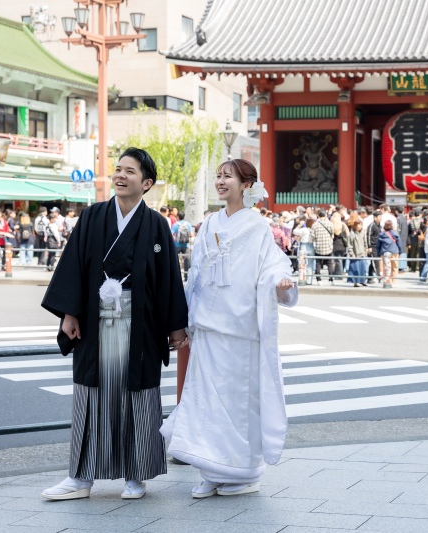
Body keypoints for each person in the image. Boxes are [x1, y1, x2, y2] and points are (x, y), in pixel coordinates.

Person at [40, 147, 188, 501]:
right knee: (91, 396)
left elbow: (169, 278)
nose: (120, 176)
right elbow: (74, 266)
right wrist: (69, 313)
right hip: (95, 319)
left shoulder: (155, 225)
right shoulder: (92, 217)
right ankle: (80, 476)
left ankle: (136, 475)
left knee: (138, 396)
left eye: (130, 171)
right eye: (118, 169)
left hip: (141, 324)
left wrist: (176, 325)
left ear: (147, 183)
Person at [160, 158, 297, 498]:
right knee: (205, 401)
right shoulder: (209, 223)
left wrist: (280, 282)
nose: (220, 182)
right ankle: (211, 470)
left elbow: (271, 265)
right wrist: (186, 319)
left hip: (239, 329)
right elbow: (197, 274)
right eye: (218, 176)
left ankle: (242, 472)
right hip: (208, 326)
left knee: (237, 403)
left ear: (247, 185)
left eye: (228, 177)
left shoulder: (257, 226)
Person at [311, 209, 334, 284]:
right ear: (326, 215)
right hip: (328, 246)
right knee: (329, 263)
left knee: (318, 263)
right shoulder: (330, 224)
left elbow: (312, 236)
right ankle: (331, 280)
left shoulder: (315, 225)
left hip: (319, 246)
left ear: (318, 215)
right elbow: (332, 234)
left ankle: (319, 280)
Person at [376, 220, 401, 285]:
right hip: (394, 251)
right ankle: (394, 282)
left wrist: (379, 253)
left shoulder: (381, 234)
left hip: (385, 252)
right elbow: (399, 244)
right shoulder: (395, 233)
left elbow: (378, 245)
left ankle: (387, 281)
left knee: (386, 267)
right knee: (395, 267)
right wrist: (400, 252)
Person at [171, 211, 194, 279]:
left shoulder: (175, 225)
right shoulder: (188, 224)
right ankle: (186, 276)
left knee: (175, 260)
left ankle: (175, 275)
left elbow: (171, 234)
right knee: (186, 260)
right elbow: (191, 234)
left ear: (178, 217)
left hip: (177, 245)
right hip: (186, 245)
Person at [346, 219, 368, 287]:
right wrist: (351, 253)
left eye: (361, 225)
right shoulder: (351, 234)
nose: (360, 226)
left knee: (363, 269)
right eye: (359, 225)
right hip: (355, 254)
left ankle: (362, 281)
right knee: (355, 269)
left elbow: (365, 242)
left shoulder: (362, 233)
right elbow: (349, 245)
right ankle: (355, 282)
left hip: (362, 253)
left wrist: (366, 250)